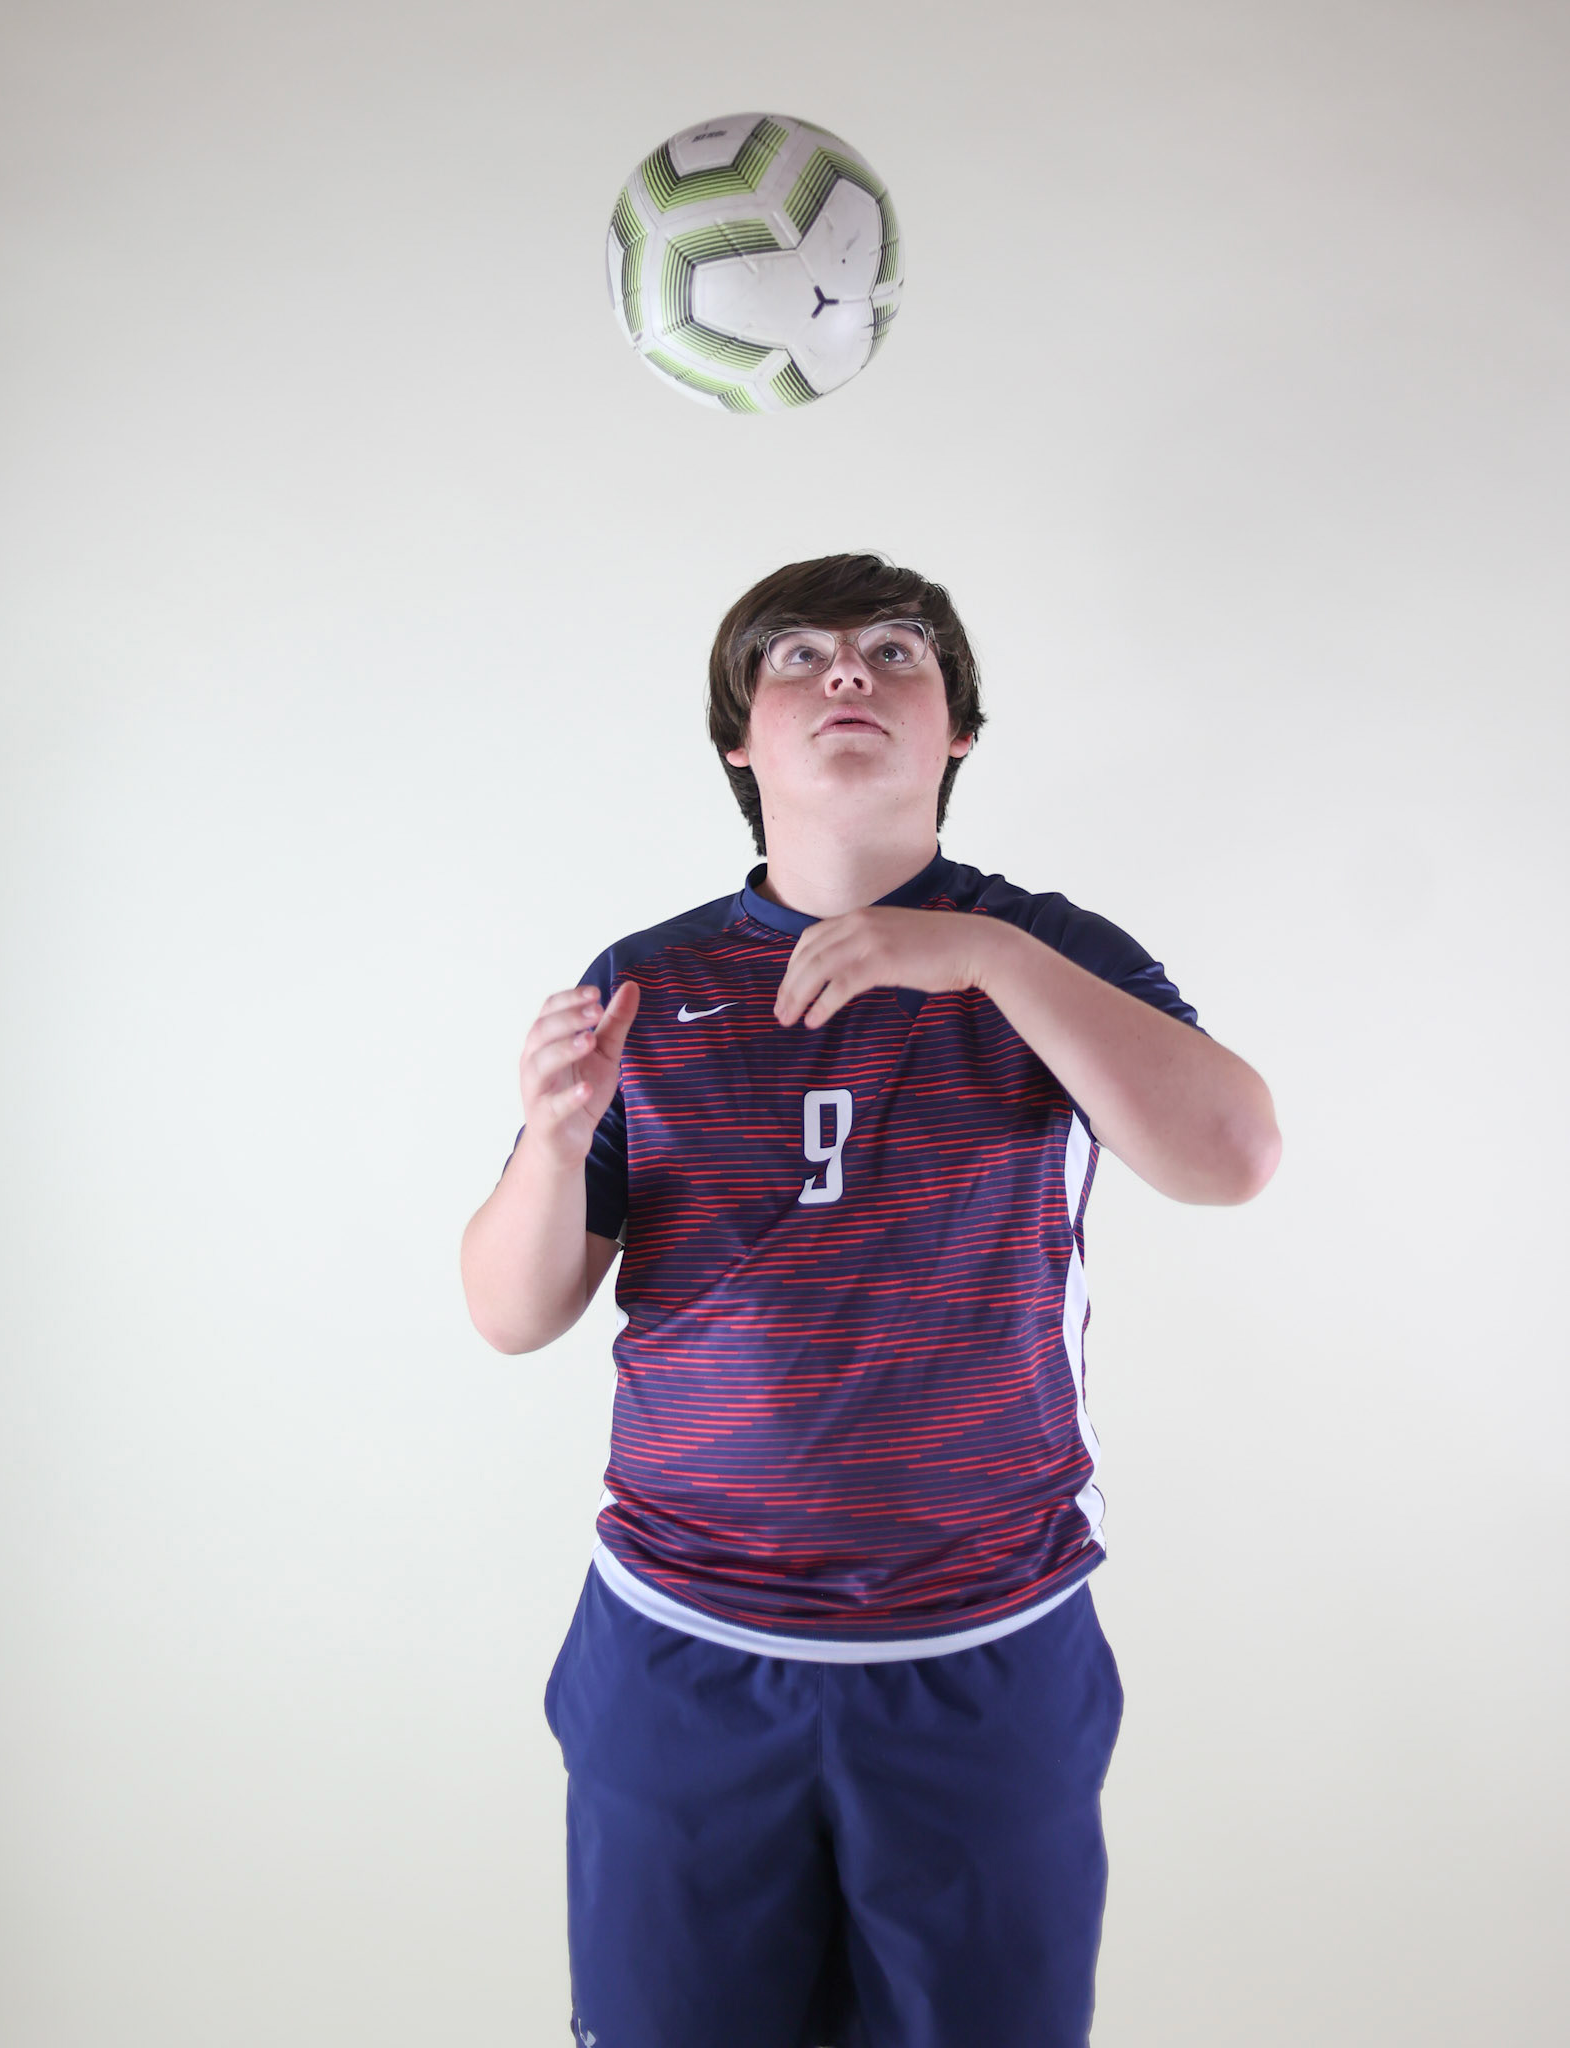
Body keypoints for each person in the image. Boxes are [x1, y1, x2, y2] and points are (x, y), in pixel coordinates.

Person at [460, 554, 1280, 2048]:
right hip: (683, 1652)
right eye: (797, 657)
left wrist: (980, 957)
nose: (848, 673)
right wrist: (559, 1139)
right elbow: (512, 1311)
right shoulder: (649, 980)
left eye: (894, 651)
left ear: (955, 727)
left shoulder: (1046, 958)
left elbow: (1231, 1158)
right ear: (738, 740)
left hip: (981, 1649)